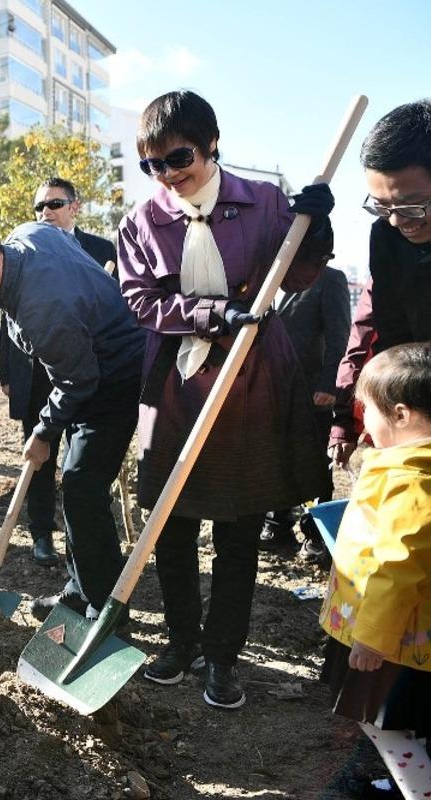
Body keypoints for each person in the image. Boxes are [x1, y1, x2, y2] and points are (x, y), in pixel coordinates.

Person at [118, 90, 335, 709]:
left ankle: (221, 657)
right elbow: (140, 300)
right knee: (171, 526)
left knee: (238, 531)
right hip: (177, 387)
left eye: (178, 157)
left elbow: (297, 274)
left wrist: (314, 226)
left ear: (212, 143)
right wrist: (214, 315)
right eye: (152, 165)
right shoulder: (142, 221)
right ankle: (182, 642)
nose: (168, 174)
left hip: (253, 385)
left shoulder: (265, 202)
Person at [0, 222, 144, 627]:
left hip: (116, 374)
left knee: (82, 483)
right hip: (89, 361)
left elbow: (79, 380)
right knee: (76, 481)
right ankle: (81, 591)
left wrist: (44, 431)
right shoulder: (26, 237)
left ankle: (107, 608)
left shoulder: (40, 307)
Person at [319, 342, 431, 800]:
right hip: (397, 637)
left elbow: (398, 567)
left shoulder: (415, 483)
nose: (365, 423)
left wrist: (372, 638)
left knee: (389, 724)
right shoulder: (405, 466)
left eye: (370, 413)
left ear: (402, 415)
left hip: (396, 643)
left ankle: (417, 789)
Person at [0, 178, 119, 566]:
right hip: (35, 375)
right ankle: (41, 534)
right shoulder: (18, 250)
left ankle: (78, 542)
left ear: (75, 207)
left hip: (90, 374)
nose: (45, 211)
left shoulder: (101, 250)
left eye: (54, 203)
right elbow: (7, 312)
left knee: (80, 464)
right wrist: (6, 370)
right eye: (39, 207)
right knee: (39, 454)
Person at [330, 100, 431, 476]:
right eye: (381, 205)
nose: (397, 220)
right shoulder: (387, 236)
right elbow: (386, 336)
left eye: (412, 206)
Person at [259, 265, 350, 558]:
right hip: (270, 388)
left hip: (313, 390)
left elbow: (340, 336)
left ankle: (316, 534)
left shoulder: (329, 279)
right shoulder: (264, 274)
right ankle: (277, 525)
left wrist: (329, 385)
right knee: (274, 457)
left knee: (313, 461)